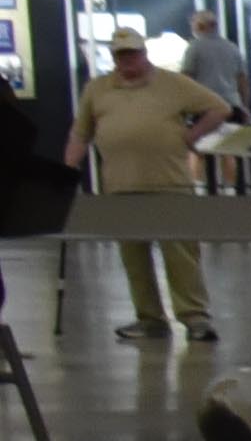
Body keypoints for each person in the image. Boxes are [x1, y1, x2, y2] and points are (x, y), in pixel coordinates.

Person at [70, 24, 236, 342]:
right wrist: (66, 169)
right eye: (121, 55)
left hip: (169, 183)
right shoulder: (97, 88)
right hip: (120, 186)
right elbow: (80, 133)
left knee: (181, 253)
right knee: (133, 256)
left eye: (132, 53)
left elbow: (219, 108)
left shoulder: (172, 83)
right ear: (113, 57)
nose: (127, 61)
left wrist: (192, 136)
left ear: (143, 53)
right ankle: (149, 319)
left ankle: (195, 317)